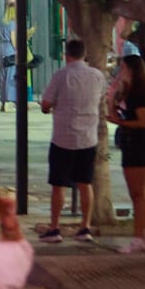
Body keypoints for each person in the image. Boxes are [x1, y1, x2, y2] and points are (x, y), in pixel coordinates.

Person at [37, 38, 105, 242]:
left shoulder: (61, 75)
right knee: (85, 182)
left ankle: (55, 228)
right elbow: (101, 98)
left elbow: (46, 103)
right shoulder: (97, 76)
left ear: (67, 55)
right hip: (88, 137)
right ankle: (85, 227)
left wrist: (49, 107)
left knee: (58, 184)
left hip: (63, 137)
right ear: (84, 54)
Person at [112, 55, 145, 250]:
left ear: (132, 70)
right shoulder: (128, 91)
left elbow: (142, 121)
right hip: (130, 143)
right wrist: (113, 93)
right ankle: (140, 235)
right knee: (135, 194)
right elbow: (113, 113)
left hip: (138, 143)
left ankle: (141, 237)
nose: (120, 71)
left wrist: (122, 123)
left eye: (123, 67)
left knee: (139, 194)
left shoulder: (139, 94)